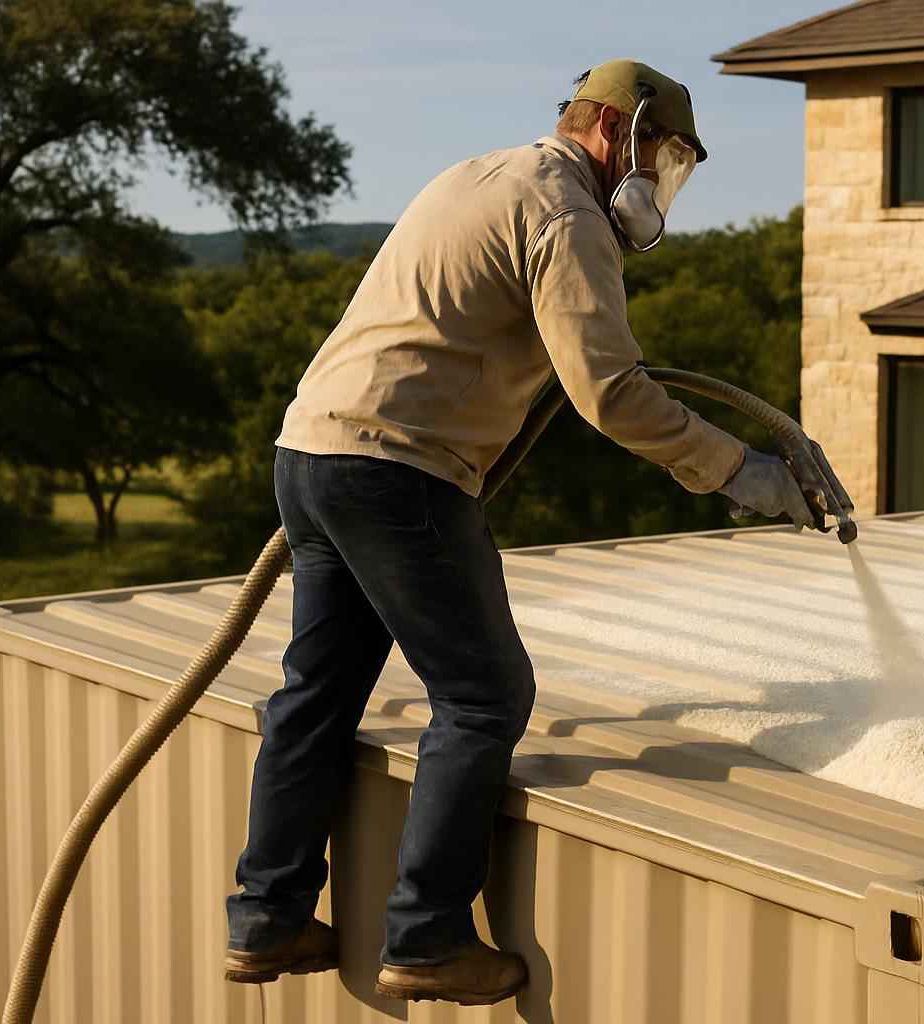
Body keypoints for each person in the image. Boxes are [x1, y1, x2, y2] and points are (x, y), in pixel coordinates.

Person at [221, 58, 813, 1007]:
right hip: (397, 471)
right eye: (662, 158)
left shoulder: (476, 175)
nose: (661, 184)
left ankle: (267, 916)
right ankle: (427, 937)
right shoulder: (566, 214)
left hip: (310, 455)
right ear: (623, 131)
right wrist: (740, 472)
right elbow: (611, 392)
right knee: (486, 696)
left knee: (318, 692)